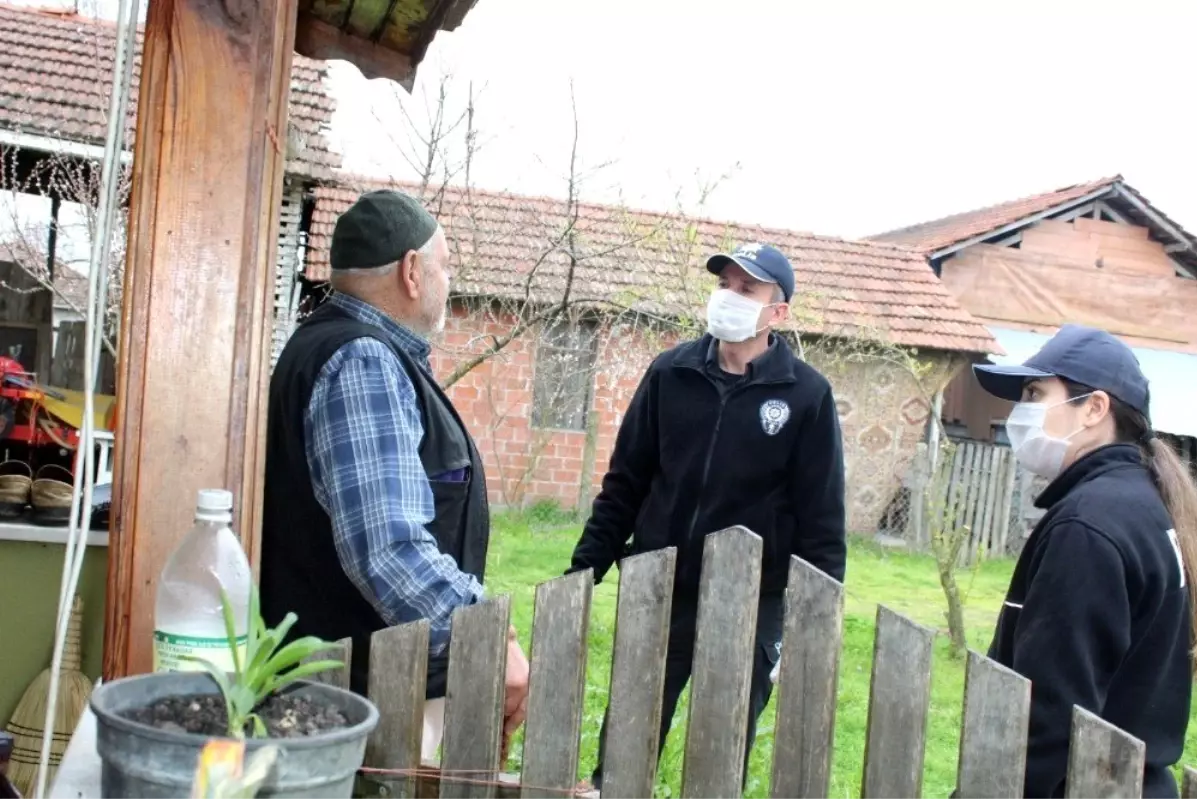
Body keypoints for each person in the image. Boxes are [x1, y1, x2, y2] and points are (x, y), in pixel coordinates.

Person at [260, 189, 530, 760]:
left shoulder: (334, 345)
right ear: (412, 270)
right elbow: (386, 550)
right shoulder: (363, 362)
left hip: (348, 690)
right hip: (366, 699)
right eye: (445, 264)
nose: (448, 279)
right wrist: (486, 635)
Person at [568, 242, 847, 793]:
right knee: (629, 734)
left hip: (751, 599)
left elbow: (822, 520)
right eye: (725, 285)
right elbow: (626, 482)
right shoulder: (670, 373)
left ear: (778, 311)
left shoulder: (807, 395)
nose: (729, 296)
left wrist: (813, 623)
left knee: (723, 748)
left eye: (747, 289)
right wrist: (584, 570)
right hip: (658, 586)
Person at [972, 324, 1197, 799]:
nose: (1020, 413)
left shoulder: (1088, 525)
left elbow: (1049, 718)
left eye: (1035, 393)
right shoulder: (1144, 505)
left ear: (1094, 408)